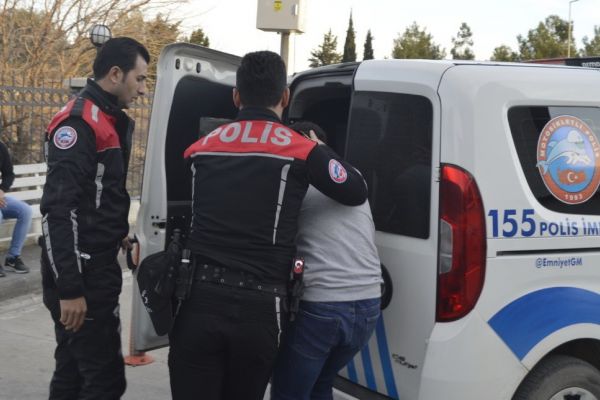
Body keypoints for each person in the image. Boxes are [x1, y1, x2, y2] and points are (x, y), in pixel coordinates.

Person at [171, 50, 368, 400]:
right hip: (261, 309)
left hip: (199, 298)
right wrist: (319, 149)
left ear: (236, 96)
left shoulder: (200, 148)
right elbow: (355, 191)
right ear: (285, 97)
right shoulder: (302, 150)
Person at [40, 37, 149, 399]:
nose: (143, 89)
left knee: (71, 373)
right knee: (104, 382)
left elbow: (97, 196)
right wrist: (70, 289)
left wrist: (117, 232)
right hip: (82, 275)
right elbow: (59, 209)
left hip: (95, 266)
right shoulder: (79, 122)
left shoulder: (106, 119)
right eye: (140, 79)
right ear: (115, 74)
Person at [271, 121, 382, 400]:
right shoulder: (354, 176)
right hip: (369, 304)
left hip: (323, 305)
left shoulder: (295, 180)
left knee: (289, 392)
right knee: (320, 384)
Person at [0, 140, 32, 277]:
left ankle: (12, 258)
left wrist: (2, 190)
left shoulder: (1, 147)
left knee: (25, 210)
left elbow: (9, 174)